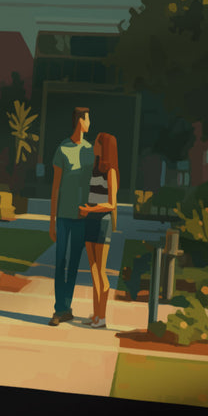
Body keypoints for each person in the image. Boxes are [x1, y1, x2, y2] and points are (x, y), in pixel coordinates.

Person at [48, 107, 93, 326]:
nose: (89, 123)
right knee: (60, 262)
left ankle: (66, 308)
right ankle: (59, 309)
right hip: (64, 218)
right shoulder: (62, 149)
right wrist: (52, 221)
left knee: (74, 264)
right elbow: (55, 187)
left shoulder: (90, 150)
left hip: (82, 218)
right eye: (88, 119)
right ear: (80, 122)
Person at [78, 131, 119, 329]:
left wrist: (90, 209)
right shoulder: (94, 170)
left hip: (102, 222)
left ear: (105, 148)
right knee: (93, 270)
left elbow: (111, 204)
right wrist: (88, 210)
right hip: (90, 221)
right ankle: (95, 315)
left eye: (97, 143)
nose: (94, 145)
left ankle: (102, 317)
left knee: (101, 272)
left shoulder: (110, 171)